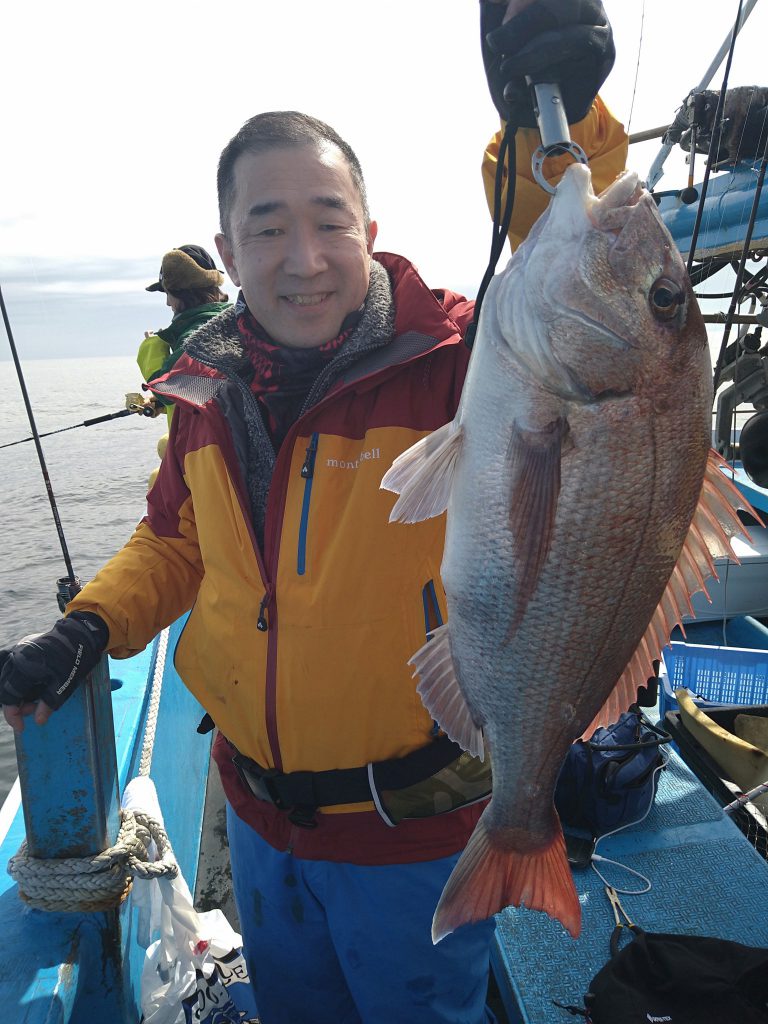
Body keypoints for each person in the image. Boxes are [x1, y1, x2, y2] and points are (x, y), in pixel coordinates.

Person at [0, 3, 627, 1021]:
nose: (304, 257)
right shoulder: (205, 389)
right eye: (268, 227)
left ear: (369, 233)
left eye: (330, 222)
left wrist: (556, 114)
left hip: (412, 833)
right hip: (260, 819)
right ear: (228, 249)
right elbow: (176, 538)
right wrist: (91, 625)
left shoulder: (460, 363)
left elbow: (577, 261)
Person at [137, 244, 231, 427]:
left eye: (168, 293)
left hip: (207, 443)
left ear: (184, 294)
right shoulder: (229, 323)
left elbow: (168, 392)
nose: (167, 303)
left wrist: (152, 346)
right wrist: (161, 406)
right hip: (227, 433)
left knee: (164, 443)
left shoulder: (196, 338)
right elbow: (204, 392)